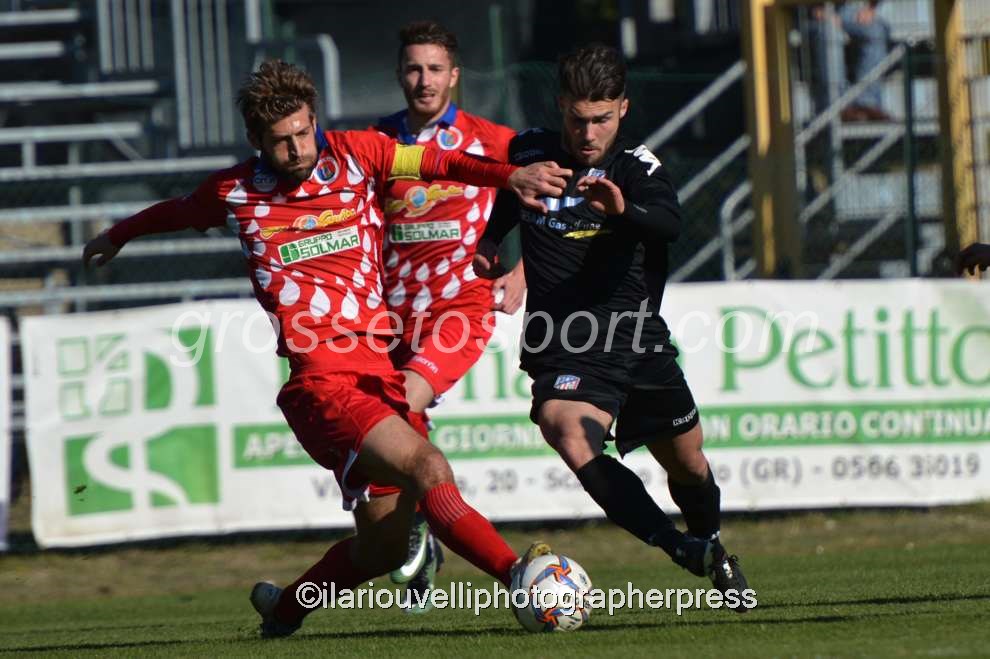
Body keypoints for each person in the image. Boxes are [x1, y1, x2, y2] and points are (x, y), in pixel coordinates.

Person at [82, 60, 570, 637]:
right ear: (255, 139)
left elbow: (438, 163)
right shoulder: (236, 191)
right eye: (280, 140)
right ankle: (521, 577)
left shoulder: (359, 154)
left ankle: (284, 610)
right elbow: (178, 210)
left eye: (302, 131)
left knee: (384, 548)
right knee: (428, 465)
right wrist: (116, 235)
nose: (296, 149)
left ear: (315, 119)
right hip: (324, 384)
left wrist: (507, 178)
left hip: (378, 376)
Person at [474, 44, 751, 611]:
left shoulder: (636, 167)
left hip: (635, 339)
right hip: (562, 343)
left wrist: (622, 210)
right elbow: (507, 200)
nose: (588, 133)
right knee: (568, 430)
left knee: (688, 462)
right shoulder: (530, 152)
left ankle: (711, 546)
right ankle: (679, 548)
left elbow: (669, 225)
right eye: (578, 119)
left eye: (601, 119)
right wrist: (489, 242)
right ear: (561, 106)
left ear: (622, 108)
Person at [371, 21, 524, 610]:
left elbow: (554, 200)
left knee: (400, 402)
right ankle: (419, 533)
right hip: (390, 314)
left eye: (435, 69)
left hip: (461, 307)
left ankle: (421, 527)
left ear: (454, 75)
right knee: (393, 425)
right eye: (413, 68)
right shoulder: (375, 142)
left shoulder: (493, 141)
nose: (424, 80)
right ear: (399, 75)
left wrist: (524, 270)